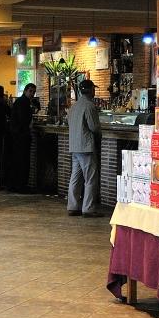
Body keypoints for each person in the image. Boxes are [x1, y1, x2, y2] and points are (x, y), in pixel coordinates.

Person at [67, 78, 101, 216]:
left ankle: (72, 206)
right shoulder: (89, 106)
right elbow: (94, 127)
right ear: (91, 90)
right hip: (86, 146)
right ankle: (88, 208)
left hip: (74, 145)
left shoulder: (73, 106)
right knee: (90, 178)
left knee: (75, 177)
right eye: (93, 89)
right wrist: (100, 131)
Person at [7, 83, 38, 192]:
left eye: (34, 92)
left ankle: (16, 185)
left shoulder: (22, 101)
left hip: (18, 135)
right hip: (21, 135)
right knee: (22, 161)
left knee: (18, 160)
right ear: (25, 91)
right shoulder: (23, 102)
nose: (32, 94)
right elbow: (23, 119)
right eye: (30, 91)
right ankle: (21, 185)